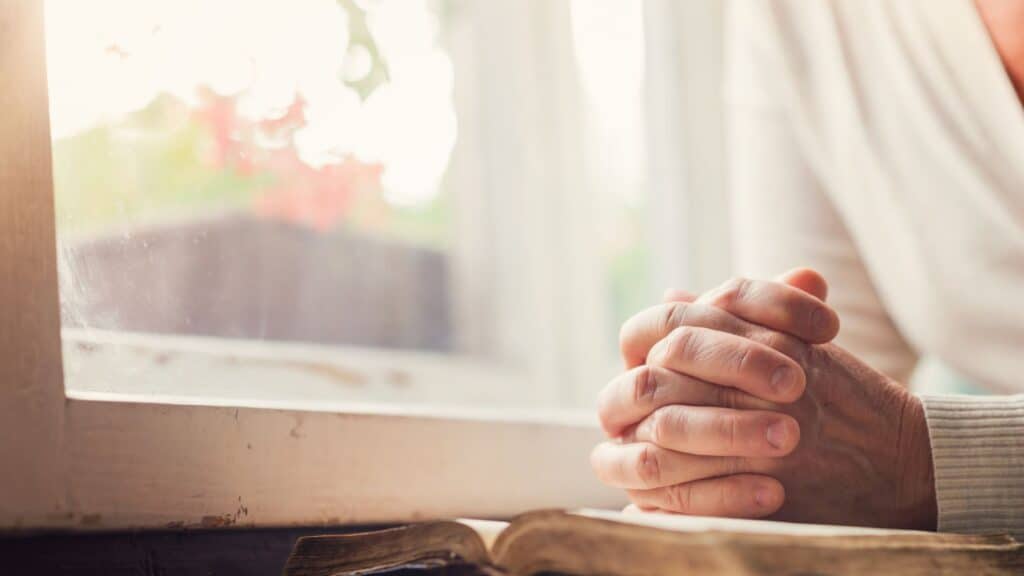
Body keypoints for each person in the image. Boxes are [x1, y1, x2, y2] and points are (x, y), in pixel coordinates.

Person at [590, 0, 1024, 538]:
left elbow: (881, 459)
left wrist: (927, 462)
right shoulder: (800, 15)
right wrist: (723, 433)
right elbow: (834, 414)